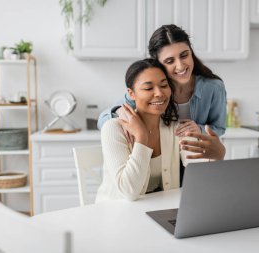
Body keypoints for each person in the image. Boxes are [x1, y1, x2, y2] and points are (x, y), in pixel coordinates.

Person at [97, 24, 227, 160]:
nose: (181, 66)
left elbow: (219, 127)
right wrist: (118, 111)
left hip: (195, 161)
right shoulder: (154, 91)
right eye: (170, 61)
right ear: (158, 64)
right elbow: (102, 121)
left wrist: (199, 129)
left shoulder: (213, 88)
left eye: (184, 55)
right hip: (160, 162)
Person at [96, 58, 198, 203]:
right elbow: (129, 192)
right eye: (148, 88)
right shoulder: (113, 128)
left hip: (157, 211)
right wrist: (141, 137)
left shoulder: (177, 128)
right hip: (115, 214)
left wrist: (213, 150)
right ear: (131, 94)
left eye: (164, 85)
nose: (159, 93)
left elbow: (202, 172)